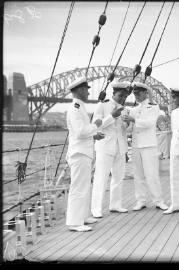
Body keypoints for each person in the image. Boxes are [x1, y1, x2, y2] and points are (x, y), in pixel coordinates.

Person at [65, 77, 105, 232]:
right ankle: (74, 222)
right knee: (78, 188)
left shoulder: (79, 107)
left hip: (84, 152)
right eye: (86, 89)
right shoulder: (74, 109)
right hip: (79, 153)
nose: (88, 92)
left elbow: (80, 132)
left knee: (84, 186)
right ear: (80, 90)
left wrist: (93, 135)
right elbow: (80, 132)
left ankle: (82, 216)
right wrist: (96, 125)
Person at [122, 82, 168, 211]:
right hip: (137, 145)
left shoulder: (153, 107)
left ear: (145, 93)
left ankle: (159, 200)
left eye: (138, 93)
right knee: (138, 174)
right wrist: (125, 122)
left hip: (149, 145)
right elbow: (131, 128)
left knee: (152, 174)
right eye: (135, 93)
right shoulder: (133, 109)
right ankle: (140, 200)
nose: (136, 95)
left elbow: (150, 123)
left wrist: (133, 120)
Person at [91, 81, 131, 218]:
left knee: (118, 178)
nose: (122, 99)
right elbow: (96, 126)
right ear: (113, 93)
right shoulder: (102, 105)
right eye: (120, 95)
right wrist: (111, 116)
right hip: (105, 147)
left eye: (125, 96)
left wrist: (127, 123)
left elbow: (122, 130)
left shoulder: (125, 109)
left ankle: (115, 205)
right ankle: (96, 208)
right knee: (101, 179)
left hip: (120, 147)